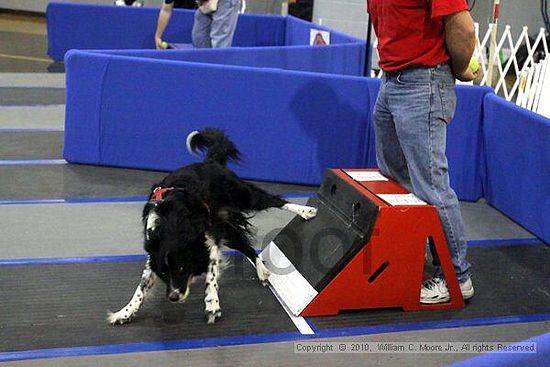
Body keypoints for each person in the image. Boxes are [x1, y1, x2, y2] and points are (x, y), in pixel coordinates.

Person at [367, 0, 480, 304]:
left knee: (431, 185)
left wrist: (456, 69)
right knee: (395, 175)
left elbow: (465, 30)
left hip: (424, 82)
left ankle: (457, 278)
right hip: (391, 81)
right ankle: (413, 253)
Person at [155, 0, 240, 49]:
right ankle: (206, 70)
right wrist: (158, 36)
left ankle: (218, 74)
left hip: (224, 2)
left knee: (219, 43)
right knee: (198, 38)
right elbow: (166, 9)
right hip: (205, 3)